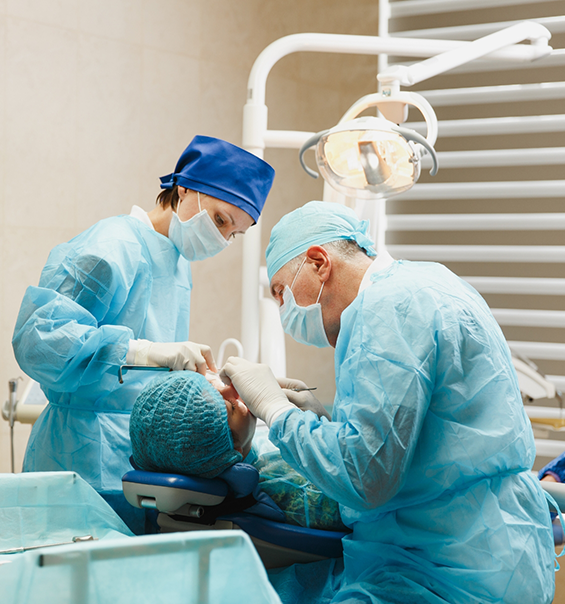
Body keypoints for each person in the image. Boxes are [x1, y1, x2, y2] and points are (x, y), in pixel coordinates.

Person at [220, 200, 556, 604]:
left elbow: (367, 477)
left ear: (318, 262)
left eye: (281, 293)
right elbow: (422, 440)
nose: (283, 310)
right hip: (494, 552)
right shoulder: (426, 283)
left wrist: (276, 411)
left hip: (444, 574)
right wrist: (323, 421)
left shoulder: (389, 310)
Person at [11, 135, 275, 534]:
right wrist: (149, 352)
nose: (222, 239)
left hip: (138, 462)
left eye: (234, 233)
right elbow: (41, 340)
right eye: (221, 220)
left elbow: (149, 374)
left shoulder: (175, 259)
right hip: (78, 453)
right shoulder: (112, 245)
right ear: (185, 188)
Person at [130, 371, 346, 531]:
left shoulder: (203, 456)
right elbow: (360, 491)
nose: (232, 388)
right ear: (233, 449)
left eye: (210, 383)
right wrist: (323, 428)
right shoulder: (289, 490)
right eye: (230, 407)